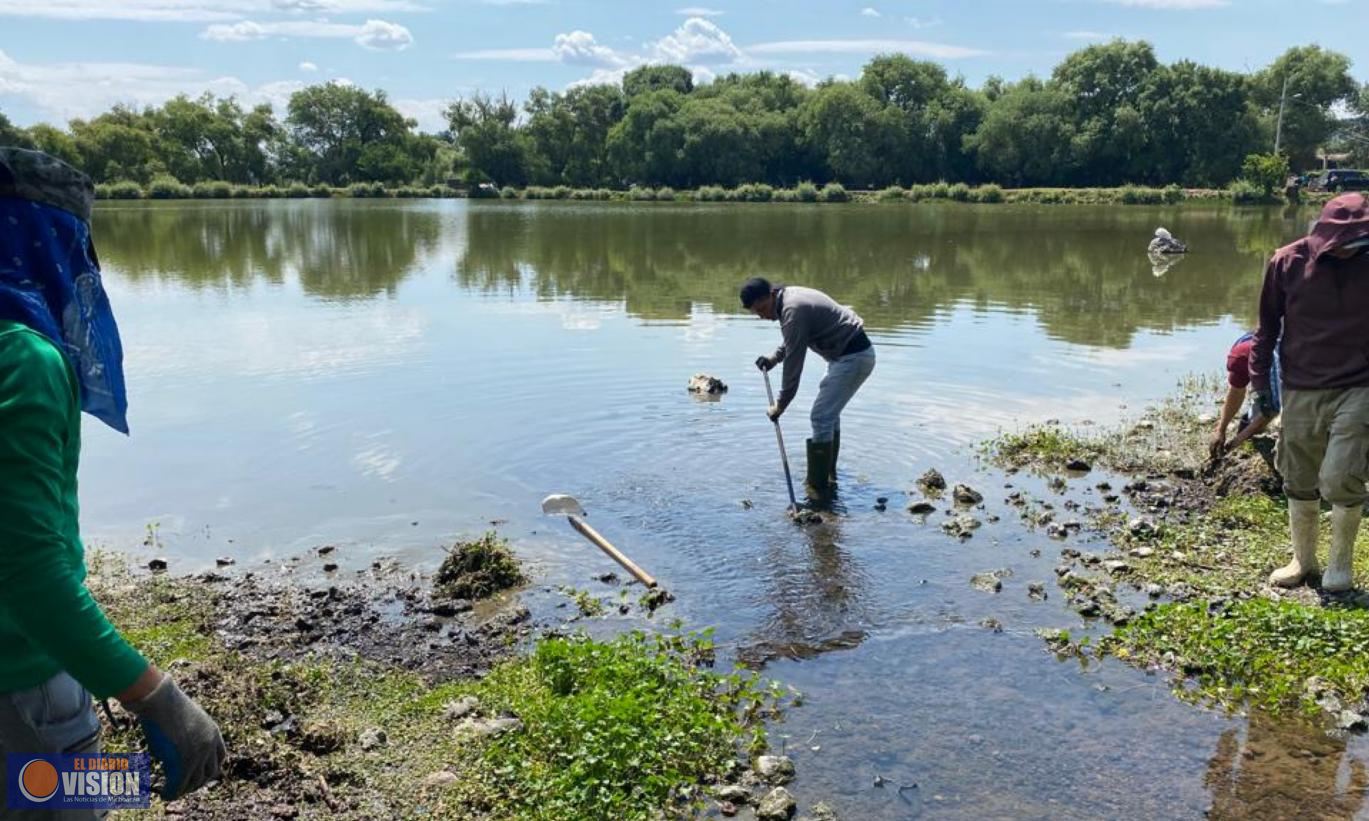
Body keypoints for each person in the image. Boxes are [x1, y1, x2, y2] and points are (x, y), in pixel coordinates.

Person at [0, 148, 226, 812]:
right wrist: (157, 696)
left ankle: (132, 785)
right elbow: (27, 570)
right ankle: (136, 785)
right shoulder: (22, 358)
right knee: (62, 793)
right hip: (19, 682)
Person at [1250, 193, 1369, 591]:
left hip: (1359, 385)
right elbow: (1265, 332)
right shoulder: (1287, 262)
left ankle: (1341, 566)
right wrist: (1260, 387)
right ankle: (1303, 560)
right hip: (1301, 385)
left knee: (1340, 475)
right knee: (1298, 475)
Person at [741, 277, 875, 501]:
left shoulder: (793, 309)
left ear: (771, 295)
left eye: (762, 309)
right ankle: (829, 478)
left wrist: (780, 405)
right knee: (829, 416)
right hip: (842, 356)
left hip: (854, 357)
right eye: (756, 313)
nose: (762, 316)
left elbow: (793, 368)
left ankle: (818, 489)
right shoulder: (789, 300)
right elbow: (794, 338)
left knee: (821, 417)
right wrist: (773, 359)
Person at [1208, 331, 1280, 459]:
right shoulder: (1239, 354)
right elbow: (1236, 391)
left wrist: (1237, 442)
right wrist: (1220, 429)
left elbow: (1272, 409)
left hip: (1297, 365)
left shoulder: (1272, 363)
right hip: (1266, 350)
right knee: (1252, 420)